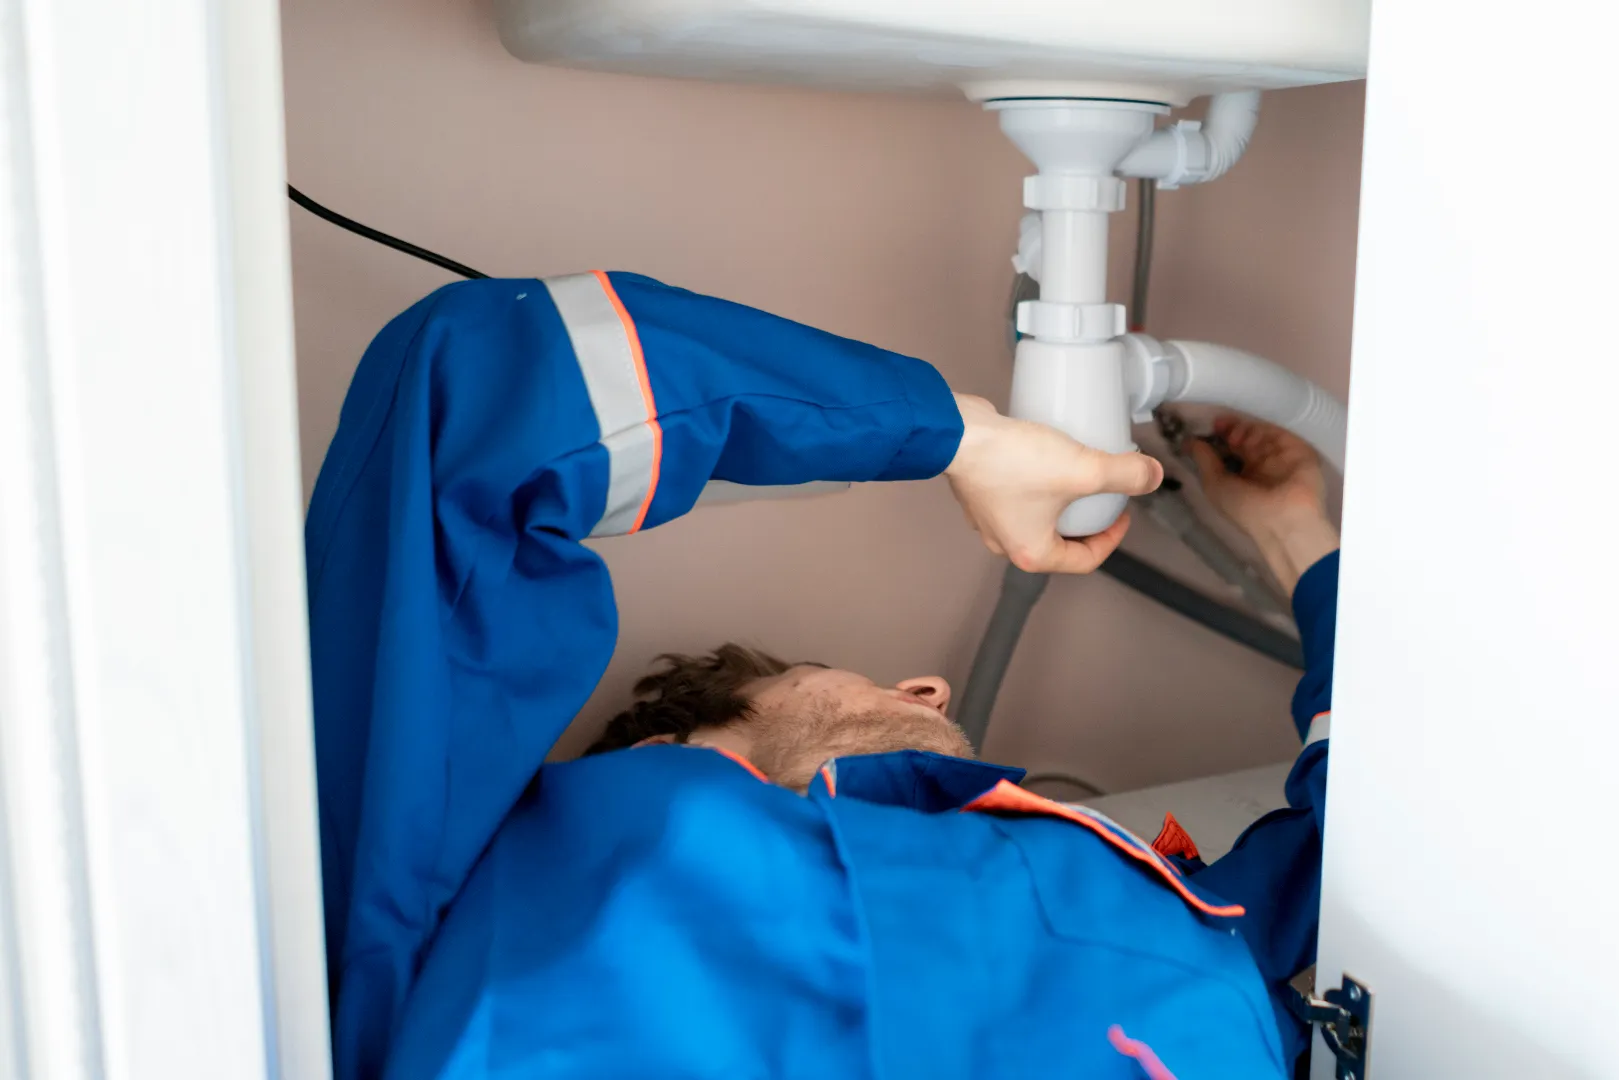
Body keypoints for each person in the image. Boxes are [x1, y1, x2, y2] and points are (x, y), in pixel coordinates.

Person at [306, 271, 1338, 1080]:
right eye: (827, 674)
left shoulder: (1161, 903)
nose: (928, 689)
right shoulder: (464, 872)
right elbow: (468, 381)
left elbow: (1373, 832)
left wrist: (1298, 543)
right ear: (674, 745)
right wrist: (956, 439)